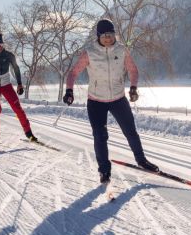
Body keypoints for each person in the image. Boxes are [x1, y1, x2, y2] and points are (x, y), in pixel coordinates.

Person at [63, 19, 158, 188]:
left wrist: (134, 88)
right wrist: (69, 90)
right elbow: (73, 73)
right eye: (105, 35)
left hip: (118, 99)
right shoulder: (89, 52)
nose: (108, 38)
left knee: (130, 131)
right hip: (96, 101)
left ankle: (141, 160)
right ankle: (104, 170)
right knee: (100, 136)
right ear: (99, 36)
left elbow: (133, 70)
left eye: (111, 35)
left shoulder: (122, 50)